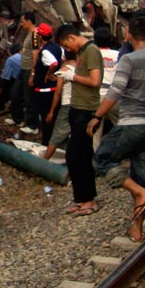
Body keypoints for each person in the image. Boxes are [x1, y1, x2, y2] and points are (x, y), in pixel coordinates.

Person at [90, 14, 145, 242]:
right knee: (143, 178)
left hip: (131, 125)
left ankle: (139, 193)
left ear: (128, 34)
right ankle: (137, 229)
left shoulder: (128, 60)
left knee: (101, 159)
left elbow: (116, 91)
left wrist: (97, 116)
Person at [56, 24, 103, 216]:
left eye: (66, 44)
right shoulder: (82, 52)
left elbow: (95, 81)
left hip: (86, 109)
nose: (67, 49)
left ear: (71, 37)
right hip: (77, 108)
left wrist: (72, 76)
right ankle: (80, 198)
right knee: (75, 156)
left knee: (79, 155)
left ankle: (89, 199)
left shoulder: (91, 51)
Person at [32, 23, 63, 143]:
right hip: (53, 89)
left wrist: (48, 74)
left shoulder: (45, 51)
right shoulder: (57, 47)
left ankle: (47, 142)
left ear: (40, 36)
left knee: (47, 117)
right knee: (52, 117)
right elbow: (62, 59)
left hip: (45, 91)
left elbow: (54, 63)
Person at [45, 57, 75, 160]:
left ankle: (44, 160)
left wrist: (51, 111)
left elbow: (58, 92)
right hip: (78, 104)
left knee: (57, 133)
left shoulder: (64, 70)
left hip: (67, 103)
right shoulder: (81, 68)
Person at [15, 13, 41, 132]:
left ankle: (33, 125)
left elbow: (35, 54)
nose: (21, 24)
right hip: (23, 68)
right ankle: (18, 118)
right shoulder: (29, 34)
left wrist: (32, 72)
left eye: (23, 21)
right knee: (16, 93)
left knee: (29, 97)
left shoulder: (35, 34)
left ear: (29, 21)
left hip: (28, 69)